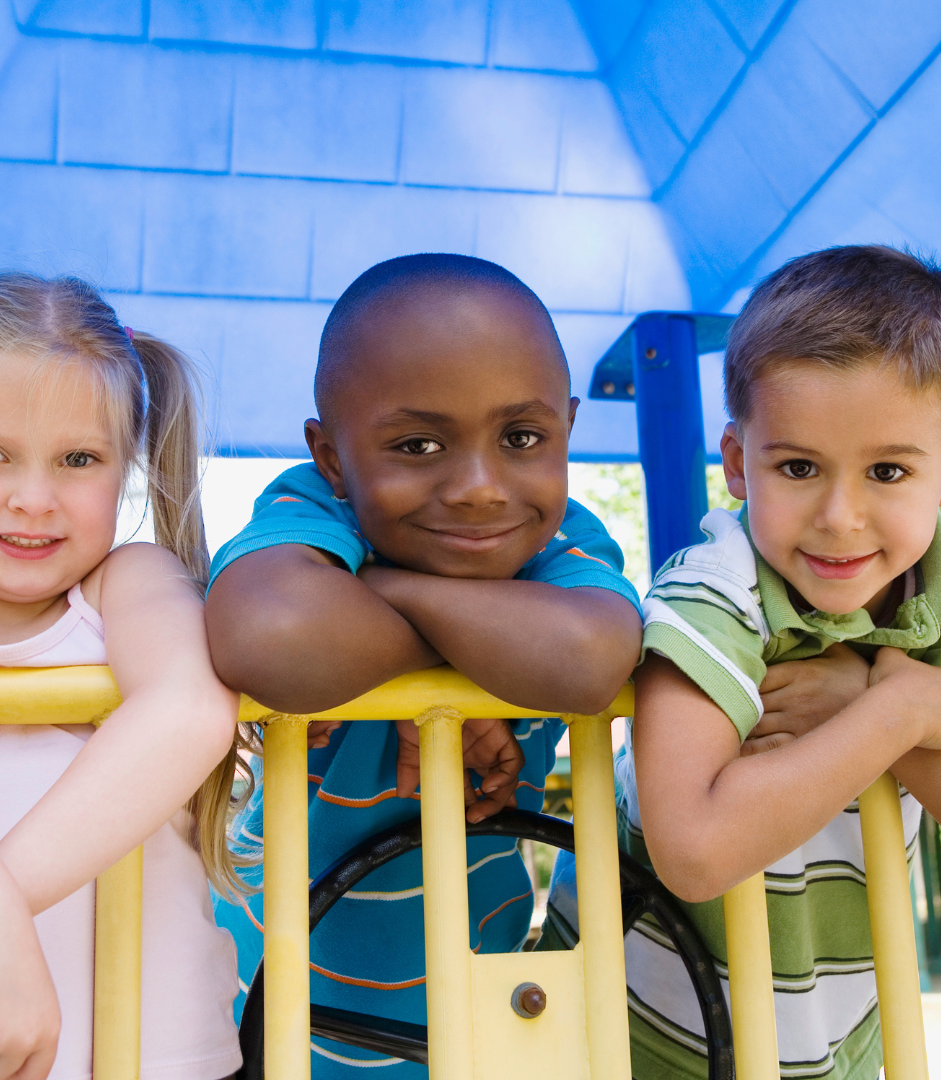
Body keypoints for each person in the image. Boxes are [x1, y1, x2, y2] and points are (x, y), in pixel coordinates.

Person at [205, 253, 644, 1077]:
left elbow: (587, 656)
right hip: (264, 1011)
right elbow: (268, 634)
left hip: (472, 1016)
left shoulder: (566, 541)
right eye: (418, 444)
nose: (480, 488)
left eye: (522, 437)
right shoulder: (312, 508)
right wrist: (479, 645)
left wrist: (385, 592)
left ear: (568, 429)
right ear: (332, 456)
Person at [614, 245, 941, 1080]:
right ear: (738, 464)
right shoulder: (715, 588)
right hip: (646, 1039)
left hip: (837, 1042)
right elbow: (695, 851)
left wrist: (881, 704)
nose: (841, 518)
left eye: (887, 470)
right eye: (799, 467)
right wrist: (905, 711)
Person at [0, 275, 251, 1080]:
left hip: (159, 1061)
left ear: (122, 470)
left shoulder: (132, 584)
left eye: (78, 459)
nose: (33, 498)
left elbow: (190, 708)